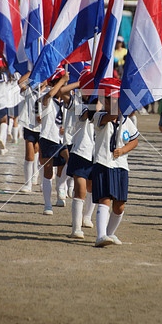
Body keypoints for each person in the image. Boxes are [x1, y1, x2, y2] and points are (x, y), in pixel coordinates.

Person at [92, 77, 139, 247]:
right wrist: (119, 97)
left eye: (114, 99)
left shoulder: (127, 122)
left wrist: (123, 150)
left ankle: (110, 234)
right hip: (103, 163)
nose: (110, 102)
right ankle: (101, 235)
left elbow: (134, 141)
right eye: (109, 99)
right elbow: (112, 113)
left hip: (120, 166)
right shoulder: (99, 117)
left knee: (120, 205)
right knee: (105, 199)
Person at [66, 69, 96, 239]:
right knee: (80, 190)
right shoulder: (79, 105)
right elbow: (86, 115)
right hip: (80, 152)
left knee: (92, 188)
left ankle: (87, 217)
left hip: (96, 153)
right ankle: (76, 228)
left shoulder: (101, 104)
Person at [39, 67, 70, 214]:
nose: (63, 88)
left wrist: (66, 127)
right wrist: (62, 80)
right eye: (61, 85)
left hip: (62, 139)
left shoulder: (66, 100)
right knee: (47, 170)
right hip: (48, 137)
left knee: (69, 160)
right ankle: (47, 204)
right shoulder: (46, 95)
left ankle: (61, 187)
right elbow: (49, 96)